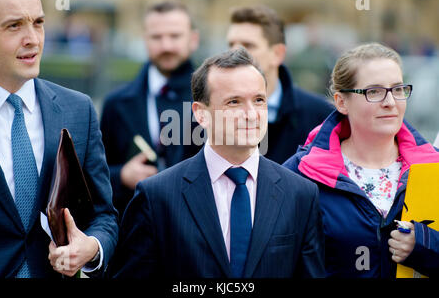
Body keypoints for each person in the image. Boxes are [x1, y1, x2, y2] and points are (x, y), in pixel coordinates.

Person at [108, 48, 325, 278]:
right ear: (201, 114)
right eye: (234, 102)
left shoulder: (301, 194)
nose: (251, 114)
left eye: (259, 100)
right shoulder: (157, 197)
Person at [0, 0, 118, 278]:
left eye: (38, 23)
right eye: (14, 26)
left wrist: (92, 247)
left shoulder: (78, 110)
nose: (32, 39)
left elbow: (104, 216)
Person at [283, 43, 439, 277]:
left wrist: (426, 245)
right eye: (374, 92)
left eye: (398, 89)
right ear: (341, 102)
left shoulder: (432, 169)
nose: (390, 102)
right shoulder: (299, 174)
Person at [100, 0, 200, 218]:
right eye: (157, 37)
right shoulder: (116, 103)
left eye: (175, 36)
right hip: (135, 229)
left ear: (193, 39)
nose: (166, 46)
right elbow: (94, 172)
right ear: (145, 40)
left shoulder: (215, 99)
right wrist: (122, 176)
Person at [226, 5, 334, 163]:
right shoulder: (206, 115)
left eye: (248, 45)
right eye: (231, 45)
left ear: (277, 54)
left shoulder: (320, 117)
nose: (234, 54)